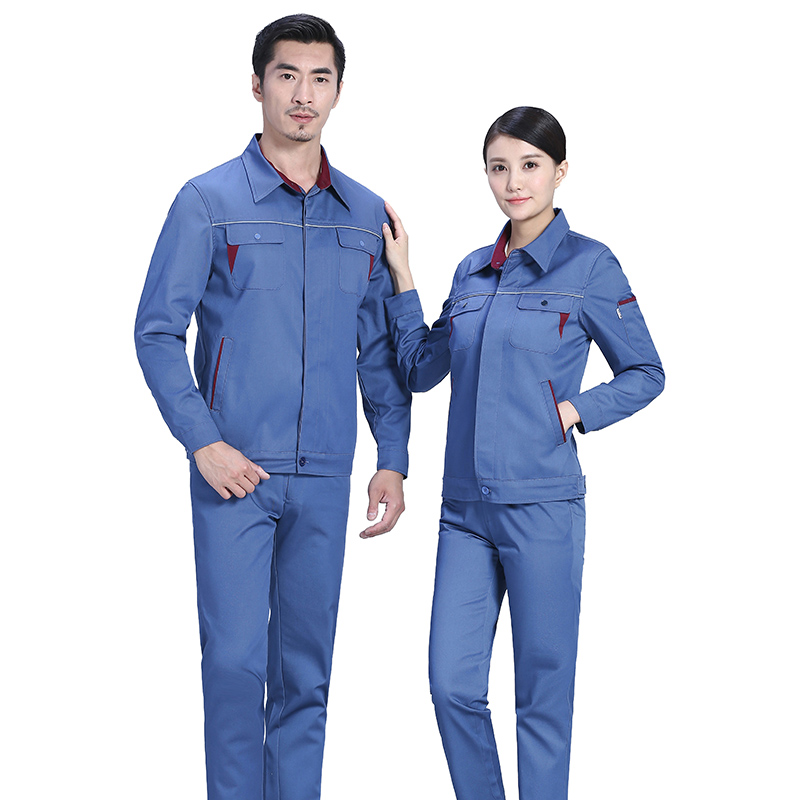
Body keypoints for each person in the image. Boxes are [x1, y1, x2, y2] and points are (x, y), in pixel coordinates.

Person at [134, 15, 411, 800]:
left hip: (324, 475)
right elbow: (156, 331)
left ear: (339, 91)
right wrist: (203, 441)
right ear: (257, 85)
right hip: (235, 472)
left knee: (305, 675)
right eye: (287, 75)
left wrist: (392, 456)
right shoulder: (207, 201)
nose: (303, 94)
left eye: (320, 78)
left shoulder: (364, 212)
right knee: (233, 667)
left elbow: (379, 352)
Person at [381, 107, 665, 799]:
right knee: (451, 685)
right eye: (499, 167)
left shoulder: (590, 265)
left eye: (530, 165)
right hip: (464, 513)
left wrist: (577, 410)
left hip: (543, 508)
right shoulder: (471, 272)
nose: (514, 182)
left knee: (542, 695)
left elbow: (646, 372)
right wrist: (402, 276)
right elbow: (420, 369)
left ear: (560, 171)